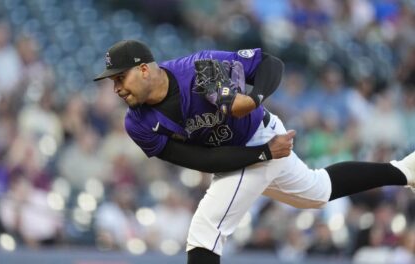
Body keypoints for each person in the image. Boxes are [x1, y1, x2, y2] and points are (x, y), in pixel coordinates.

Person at [93, 39, 415, 264]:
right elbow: (200, 160)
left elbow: (269, 63)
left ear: (145, 70)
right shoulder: (137, 123)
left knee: (206, 230)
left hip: (257, 135)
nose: (116, 87)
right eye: (112, 81)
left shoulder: (199, 68)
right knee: (318, 191)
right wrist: (264, 154)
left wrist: (254, 98)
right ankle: (407, 170)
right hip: (250, 152)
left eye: (121, 77)